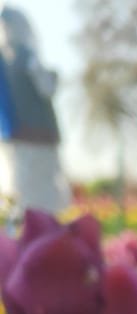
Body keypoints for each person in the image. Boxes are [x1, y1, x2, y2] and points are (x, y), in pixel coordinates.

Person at [0, 2, 70, 215]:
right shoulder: (25, 56)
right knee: (42, 195)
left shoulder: (5, 59)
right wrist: (54, 76)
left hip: (15, 136)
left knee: (21, 192)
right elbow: (47, 88)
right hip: (38, 136)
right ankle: (42, 239)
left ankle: (23, 240)